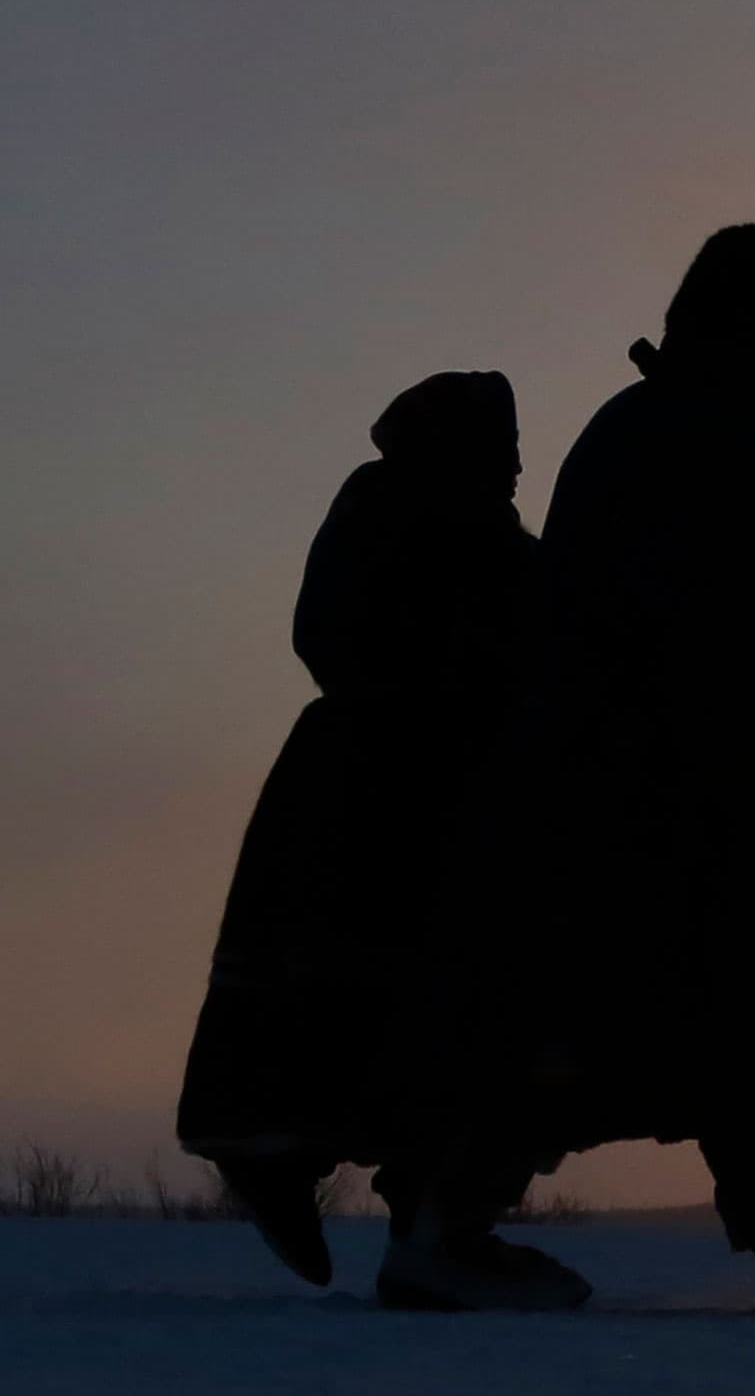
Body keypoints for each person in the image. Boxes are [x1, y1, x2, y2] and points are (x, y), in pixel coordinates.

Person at [426, 224, 755, 1314]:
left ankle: (450, 1229)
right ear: (750, 337)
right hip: (655, 792)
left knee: (625, 1019)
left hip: (616, 783)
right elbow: (703, 646)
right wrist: (725, 785)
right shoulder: (712, 441)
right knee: (692, 1009)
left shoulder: (644, 428)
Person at [175, 371, 542, 1292]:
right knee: (394, 998)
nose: (514, 467)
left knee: (377, 1004)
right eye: (502, 450)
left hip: (380, 785)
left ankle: (409, 1208)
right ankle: (409, 1214)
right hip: (410, 798)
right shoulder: (446, 526)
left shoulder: (425, 518)